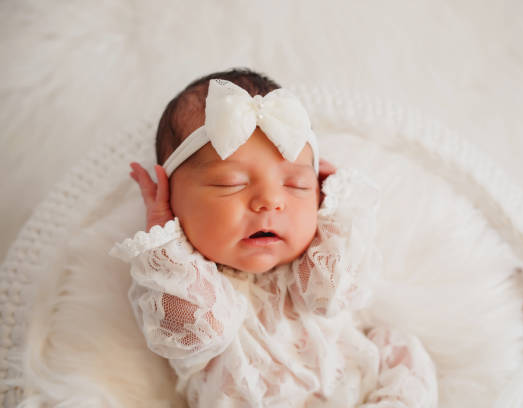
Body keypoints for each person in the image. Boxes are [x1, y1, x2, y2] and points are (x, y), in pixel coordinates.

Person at [110, 68, 437, 407]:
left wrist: (339, 212)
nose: (270, 201)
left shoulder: (312, 264)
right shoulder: (175, 281)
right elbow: (199, 331)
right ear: (171, 196)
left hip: (360, 394)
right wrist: (164, 240)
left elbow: (336, 296)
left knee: (402, 352)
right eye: (230, 184)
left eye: (296, 185)